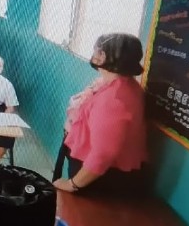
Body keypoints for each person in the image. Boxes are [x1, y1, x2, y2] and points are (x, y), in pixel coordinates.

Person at [52, 34, 148, 196]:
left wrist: (73, 184)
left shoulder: (114, 99)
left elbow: (104, 153)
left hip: (97, 180)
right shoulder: (120, 84)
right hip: (96, 173)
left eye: (97, 50)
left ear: (104, 56)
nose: (94, 54)